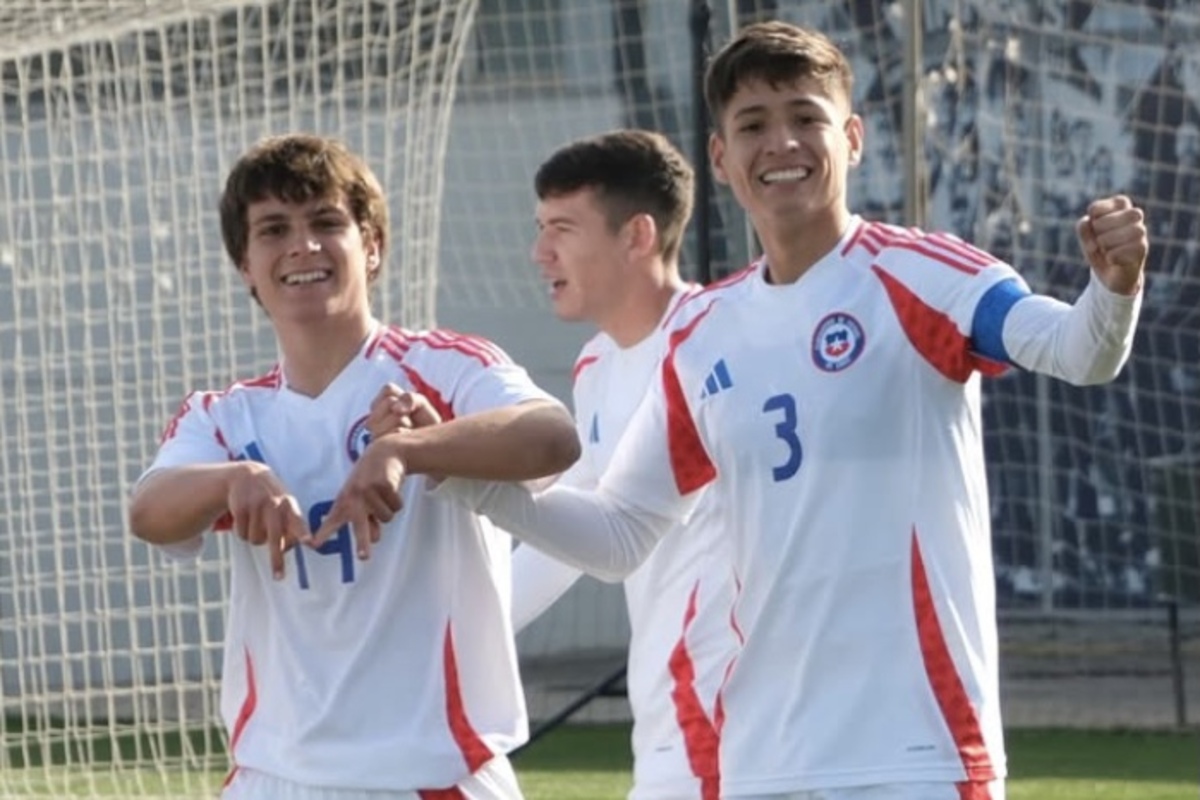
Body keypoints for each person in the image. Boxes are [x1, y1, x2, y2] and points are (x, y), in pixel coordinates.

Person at [431, 21, 1148, 800]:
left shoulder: (921, 275)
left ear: (852, 137)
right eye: (753, 125)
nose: (783, 144)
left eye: (806, 118)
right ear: (721, 158)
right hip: (761, 763)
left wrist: (1113, 289)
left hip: (915, 756)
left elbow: (1079, 352)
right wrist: (457, 475)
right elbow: (617, 536)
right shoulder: (703, 335)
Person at [127, 133, 579, 800]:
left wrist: (406, 449)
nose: (302, 246)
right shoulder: (225, 418)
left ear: (371, 247)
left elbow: (552, 438)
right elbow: (150, 513)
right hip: (273, 780)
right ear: (246, 265)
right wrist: (233, 480)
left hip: (432, 778)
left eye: (327, 222)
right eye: (274, 230)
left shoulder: (447, 367)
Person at [375, 130, 738, 800]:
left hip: (748, 733)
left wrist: (456, 470)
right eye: (540, 227)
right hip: (670, 733)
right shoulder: (597, 365)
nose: (539, 252)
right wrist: (441, 634)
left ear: (637, 236)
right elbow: (580, 535)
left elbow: (609, 543)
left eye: (562, 229)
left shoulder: (727, 341)